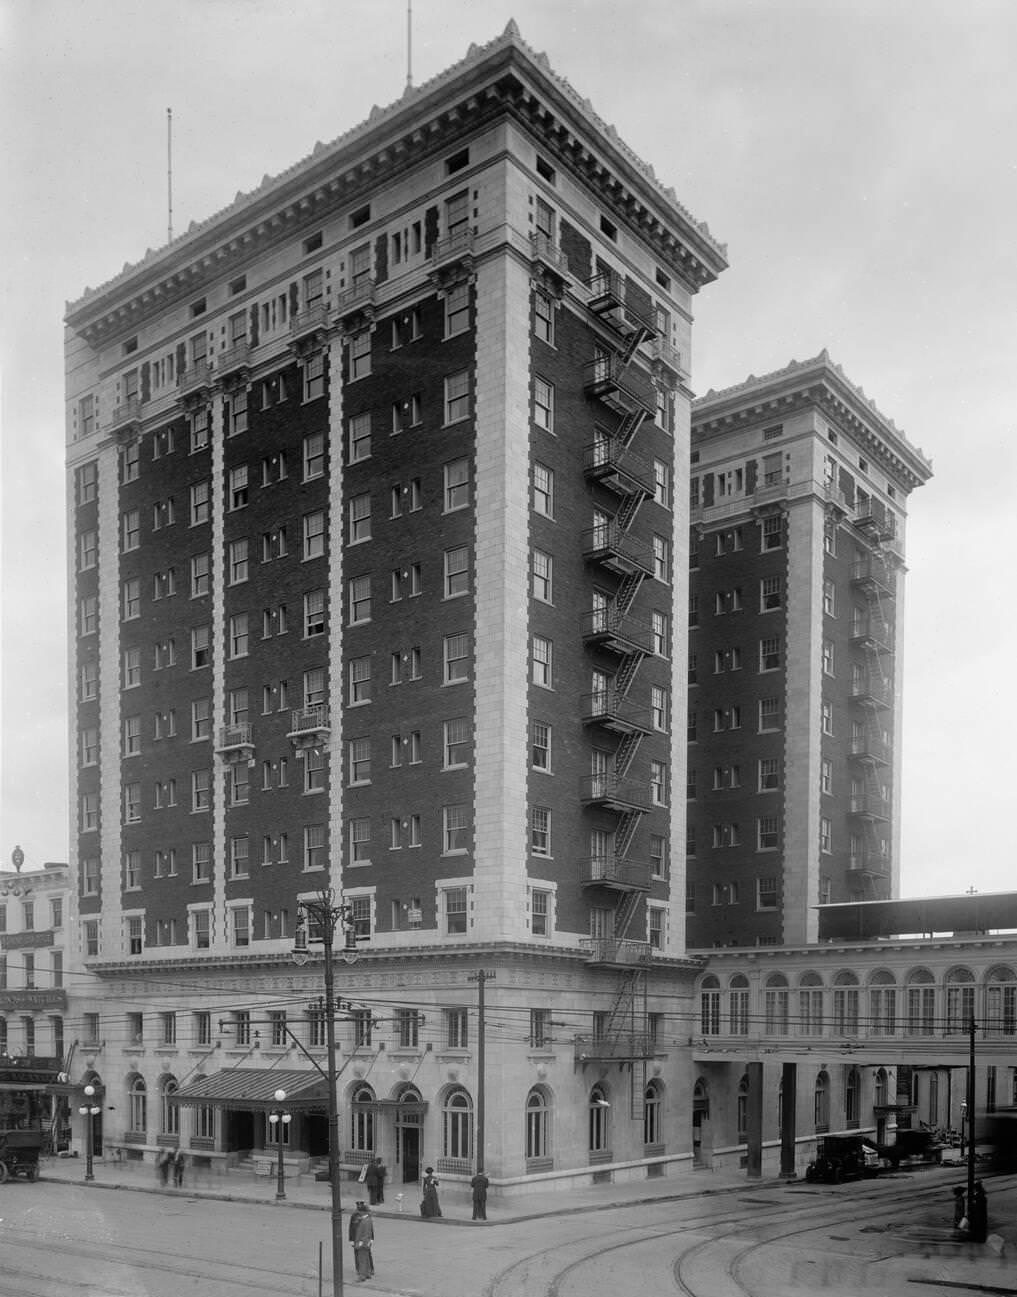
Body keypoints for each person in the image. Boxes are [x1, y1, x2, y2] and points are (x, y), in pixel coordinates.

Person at [348, 1200, 375, 1281]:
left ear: (363, 1212)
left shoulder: (365, 1221)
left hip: (362, 1243)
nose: (358, 1213)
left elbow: (367, 1232)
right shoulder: (367, 1219)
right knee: (366, 1257)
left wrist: (361, 1242)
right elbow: (352, 1228)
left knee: (362, 1258)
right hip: (363, 1242)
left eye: (360, 1211)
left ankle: (362, 1275)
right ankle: (368, 1272)